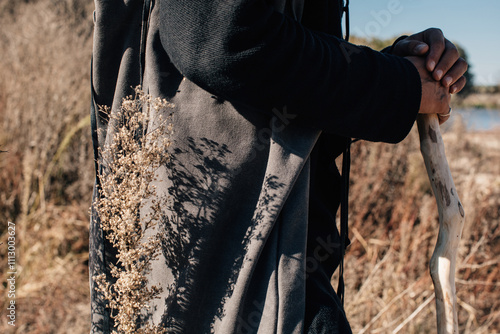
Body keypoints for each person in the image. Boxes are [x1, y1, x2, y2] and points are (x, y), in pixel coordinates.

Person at [89, 0, 467, 333]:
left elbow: (282, 104)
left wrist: (396, 70)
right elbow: (217, 37)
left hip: (252, 251)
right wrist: (394, 84)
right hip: (233, 252)